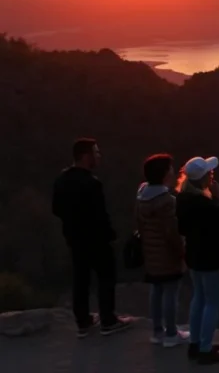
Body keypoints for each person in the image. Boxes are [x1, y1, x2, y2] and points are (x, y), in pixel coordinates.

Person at [51, 138, 133, 338]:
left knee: (80, 279)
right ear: (86, 156)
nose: (99, 157)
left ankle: (83, 322)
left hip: (75, 239)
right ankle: (108, 321)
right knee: (106, 278)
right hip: (96, 240)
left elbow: (56, 209)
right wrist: (110, 234)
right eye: (96, 153)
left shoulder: (62, 180)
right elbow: (100, 215)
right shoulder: (91, 183)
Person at [177, 156, 219, 365]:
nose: (212, 174)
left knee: (198, 299)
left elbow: (182, 229)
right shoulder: (205, 204)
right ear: (202, 179)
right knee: (212, 302)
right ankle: (205, 349)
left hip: (193, 255)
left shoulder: (182, 200)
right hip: (210, 257)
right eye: (209, 172)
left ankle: (196, 342)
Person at [136, 153, 189, 348]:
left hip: (150, 252)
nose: (173, 171)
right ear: (165, 173)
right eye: (171, 168)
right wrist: (182, 252)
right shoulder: (167, 201)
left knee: (156, 291)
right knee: (170, 294)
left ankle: (157, 332)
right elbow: (171, 233)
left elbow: (140, 225)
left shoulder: (142, 195)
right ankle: (171, 334)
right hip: (167, 255)